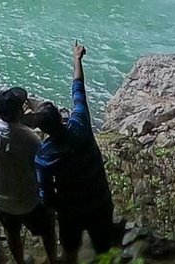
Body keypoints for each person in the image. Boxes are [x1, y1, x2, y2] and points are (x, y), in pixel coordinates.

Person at [34, 44, 118, 262]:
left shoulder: (45, 155)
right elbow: (78, 88)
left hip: (70, 210)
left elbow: (45, 193)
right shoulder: (80, 123)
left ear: (43, 131)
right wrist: (77, 58)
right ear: (61, 118)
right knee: (104, 248)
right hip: (99, 200)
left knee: (70, 251)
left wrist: (54, 207)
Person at [0, 86, 59, 263]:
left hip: (1, 199)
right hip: (30, 201)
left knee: (11, 232)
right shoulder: (31, 138)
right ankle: (53, 259)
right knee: (47, 229)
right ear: (19, 112)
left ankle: (20, 261)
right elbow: (42, 171)